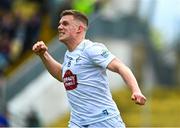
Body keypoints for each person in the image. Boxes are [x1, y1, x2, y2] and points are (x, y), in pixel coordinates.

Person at [32, 9, 146, 128]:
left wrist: (136, 90)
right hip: (78, 122)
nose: (60, 27)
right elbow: (62, 75)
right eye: (60, 24)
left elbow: (120, 67)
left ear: (79, 29)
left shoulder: (91, 49)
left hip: (104, 120)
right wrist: (43, 55)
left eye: (65, 24)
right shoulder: (69, 54)